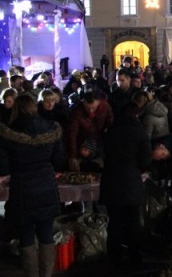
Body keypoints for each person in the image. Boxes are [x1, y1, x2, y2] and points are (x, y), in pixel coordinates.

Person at [0, 95, 64, 277]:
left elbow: (3, 167)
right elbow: (58, 160)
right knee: (46, 233)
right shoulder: (51, 128)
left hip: (22, 188)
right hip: (46, 186)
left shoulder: (7, 132)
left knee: (26, 236)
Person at [100, 102, 151, 264]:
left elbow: (104, 153)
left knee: (114, 221)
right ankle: (134, 255)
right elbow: (145, 161)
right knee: (132, 221)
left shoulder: (111, 131)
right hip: (131, 181)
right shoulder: (140, 133)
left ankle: (114, 255)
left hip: (111, 181)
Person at [65, 91, 114, 172]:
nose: (91, 111)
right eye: (88, 108)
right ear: (83, 102)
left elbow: (111, 123)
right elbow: (72, 133)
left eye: (93, 108)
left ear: (98, 102)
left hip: (100, 141)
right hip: (82, 143)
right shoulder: (77, 111)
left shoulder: (105, 106)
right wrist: (72, 155)